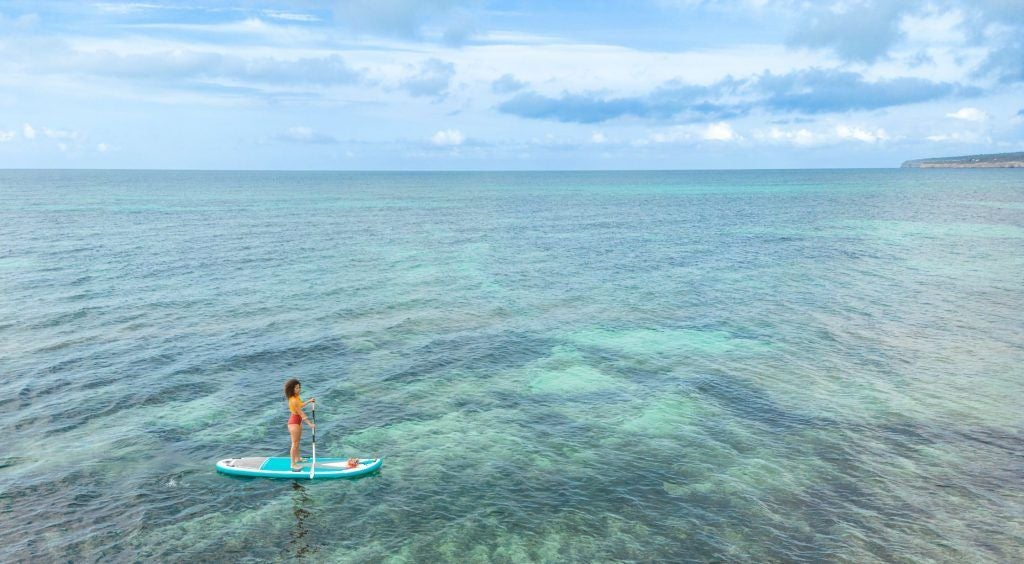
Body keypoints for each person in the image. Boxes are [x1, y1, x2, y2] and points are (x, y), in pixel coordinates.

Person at [284, 378, 315, 471]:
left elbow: (300, 405)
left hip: (298, 422)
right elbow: (301, 413)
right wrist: (310, 424)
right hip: (293, 423)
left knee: (297, 442)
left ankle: (298, 458)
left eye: (299, 387)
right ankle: (293, 464)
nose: (298, 389)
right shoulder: (293, 400)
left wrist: (309, 401)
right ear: (291, 389)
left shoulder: (296, 397)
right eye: (296, 388)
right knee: (294, 443)